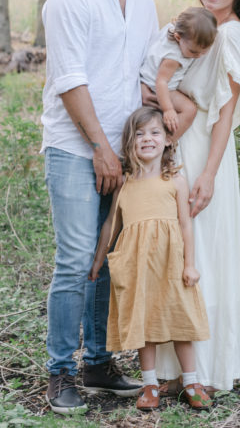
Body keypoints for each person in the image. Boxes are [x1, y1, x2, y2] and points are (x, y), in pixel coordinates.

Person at [40, 0, 157, 415]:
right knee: (74, 262)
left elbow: (144, 75)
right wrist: (100, 149)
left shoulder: (147, 3)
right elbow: (70, 79)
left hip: (123, 154)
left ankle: (100, 364)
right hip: (75, 149)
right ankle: (61, 373)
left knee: (108, 261)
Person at [153, 0, 240, 395]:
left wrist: (209, 175)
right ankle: (174, 369)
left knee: (203, 256)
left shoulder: (231, 34)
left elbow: (224, 111)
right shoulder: (197, 27)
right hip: (178, 145)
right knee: (177, 253)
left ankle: (207, 369)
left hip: (205, 152)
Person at [89, 106, 213, 412]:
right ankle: (149, 384)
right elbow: (110, 225)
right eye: (139, 134)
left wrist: (190, 264)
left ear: (168, 141)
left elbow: (186, 225)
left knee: (180, 320)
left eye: (155, 132)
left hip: (171, 264)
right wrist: (98, 260)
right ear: (130, 144)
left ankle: (192, 382)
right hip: (138, 266)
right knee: (145, 325)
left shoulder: (176, 181)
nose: (148, 139)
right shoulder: (125, 184)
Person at [139, 7, 217, 141]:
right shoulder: (174, 57)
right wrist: (168, 109)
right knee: (189, 110)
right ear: (177, 37)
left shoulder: (174, 28)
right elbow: (161, 82)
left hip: (151, 81)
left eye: (203, 52)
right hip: (157, 87)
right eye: (193, 52)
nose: (198, 56)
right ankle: (167, 143)